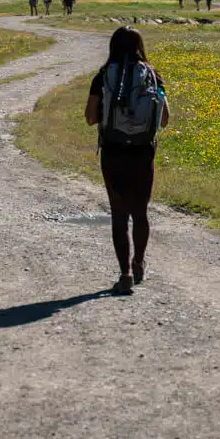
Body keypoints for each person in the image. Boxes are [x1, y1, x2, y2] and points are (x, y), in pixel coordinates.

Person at [85, 27, 169, 295]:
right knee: (140, 212)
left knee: (119, 215)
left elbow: (90, 117)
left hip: (113, 150)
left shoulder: (102, 76)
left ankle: (125, 274)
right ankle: (140, 262)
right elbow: (164, 119)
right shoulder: (153, 75)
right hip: (143, 152)